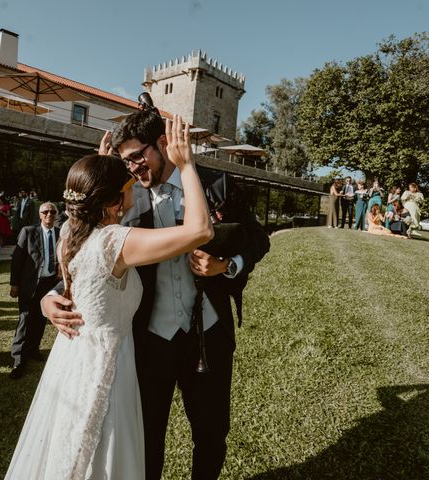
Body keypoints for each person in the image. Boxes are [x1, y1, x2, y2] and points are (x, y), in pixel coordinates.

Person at [40, 106, 269, 480]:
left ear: (162, 143)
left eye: (137, 157)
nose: (132, 168)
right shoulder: (122, 198)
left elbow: (257, 239)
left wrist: (226, 266)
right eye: (124, 161)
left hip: (208, 333)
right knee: (145, 437)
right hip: (148, 339)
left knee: (212, 433)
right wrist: (49, 297)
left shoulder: (216, 185)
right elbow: (89, 250)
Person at [6, 115, 214, 478]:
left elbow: (77, 279)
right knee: (102, 450)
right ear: (116, 199)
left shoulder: (72, 232)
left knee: (71, 444)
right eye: (126, 180)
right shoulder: (115, 242)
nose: (134, 180)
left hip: (72, 358)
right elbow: (199, 230)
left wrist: (100, 167)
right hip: (109, 361)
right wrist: (187, 164)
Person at [8, 202, 60, 379]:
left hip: (50, 284)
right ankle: (18, 360)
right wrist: (14, 283)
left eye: (52, 212)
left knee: (40, 319)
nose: (49, 215)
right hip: (30, 284)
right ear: (40, 215)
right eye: (45, 212)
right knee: (25, 320)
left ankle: (33, 350)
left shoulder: (61, 233)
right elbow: (17, 258)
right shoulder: (28, 232)